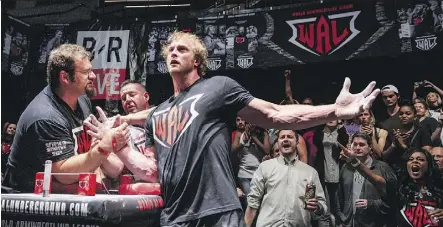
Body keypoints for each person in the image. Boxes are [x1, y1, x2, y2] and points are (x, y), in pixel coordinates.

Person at [85, 31, 380, 226]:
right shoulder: (159, 114)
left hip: (217, 213)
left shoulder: (218, 88)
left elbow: (275, 114)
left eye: (182, 49)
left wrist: (336, 111)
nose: (174, 52)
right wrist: (120, 147)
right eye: (170, 49)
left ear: (197, 60)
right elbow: (151, 171)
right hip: (174, 218)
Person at [2, 44, 126, 193]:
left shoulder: (82, 100)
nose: (93, 76)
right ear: (65, 77)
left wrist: (102, 139)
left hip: (61, 194)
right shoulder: (46, 116)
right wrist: (103, 147)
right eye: (86, 72)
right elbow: (64, 174)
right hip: (25, 201)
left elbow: (91, 157)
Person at [245, 130, 327, 227]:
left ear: (297, 142)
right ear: (278, 142)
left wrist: (317, 207)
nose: (286, 139)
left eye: (290, 137)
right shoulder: (265, 167)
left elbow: (322, 207)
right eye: (282, 137)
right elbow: (252, 203)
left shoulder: (309, 173)